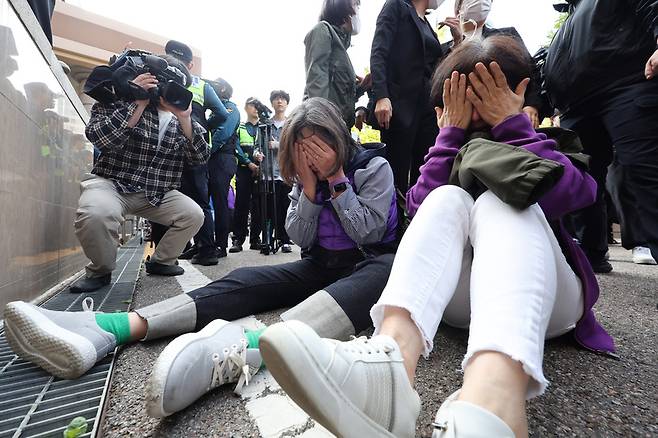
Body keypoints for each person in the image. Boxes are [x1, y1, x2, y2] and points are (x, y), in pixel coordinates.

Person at [258, 37, 616, 438]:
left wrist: (510, 125)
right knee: (446, 197)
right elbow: (419, 209)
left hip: (549, 304)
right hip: (465, 307)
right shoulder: (449, 146)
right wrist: (449, 138)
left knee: (504, 202)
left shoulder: (534, 137)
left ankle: (493, 403)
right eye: (465, 107)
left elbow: (577, 192)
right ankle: (390, 369)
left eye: (486, 101)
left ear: (517, 93)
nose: (476, 122)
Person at [3, 97, 398, 420]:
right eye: (302, 151)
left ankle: (249, 347)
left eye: (318, 147)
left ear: (337, 138)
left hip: (367, 266)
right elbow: (300, 237)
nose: (309, 159)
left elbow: (370, 233)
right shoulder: (302, 182)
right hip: (321, 266)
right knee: (245, 280)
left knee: (385, 271)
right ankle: (112, 326)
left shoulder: (373, 167)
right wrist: (311, 191)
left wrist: (336, 181)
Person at [68, 55, 208, 293]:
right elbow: (101, 138)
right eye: (163, 82)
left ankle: (162, 262)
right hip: (111, 184)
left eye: (176, 86)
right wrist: (138, 101)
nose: (167, 91)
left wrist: (184, 118)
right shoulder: (119, 99)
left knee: (193, 214)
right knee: (96, 214)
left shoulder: (182, 120)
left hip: (156, 193)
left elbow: (200, 158)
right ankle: (101, 270)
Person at [543, 1, 658, 272]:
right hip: (577, 103)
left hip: (628, 85)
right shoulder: (572, 17)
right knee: (582, 175)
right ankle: (591, 252)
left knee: (644, 174)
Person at [148, 40, 229, 266]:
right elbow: (221, 114)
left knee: (160, 195)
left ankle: (168, 253)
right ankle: (204, 249)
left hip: (171, 144)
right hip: (191, 144)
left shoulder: (158, 76)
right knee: (198, 198)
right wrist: (203, 124)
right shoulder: (202, 86)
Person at [370, 0, 447, 195]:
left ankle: (417, 218)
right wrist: (381, 95)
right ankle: (393, 222)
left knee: (425, 170)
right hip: (400, 106)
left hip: (428, 110)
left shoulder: (428, 26)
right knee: (395, 172)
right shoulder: (396, 6)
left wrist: (457, 38)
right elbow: (379, 51)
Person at [304, 0, 370, 128]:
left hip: (341, 129)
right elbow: (316, 85)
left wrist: (362, 87)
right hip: (327, 129)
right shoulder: (322, 30)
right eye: (356, 5)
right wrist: (321, 128)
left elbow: (340, 98)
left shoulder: (342, 48)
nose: (358, 11)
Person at [206, 78, 241, 258]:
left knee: (220, 202)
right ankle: (204, 244)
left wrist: (207, 151)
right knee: (204, 202)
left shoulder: (231, 108)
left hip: (222, 158)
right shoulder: (211, 112)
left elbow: (224, 133)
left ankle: (220, 245)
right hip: (210, 159)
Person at [258, 90, 294, 253]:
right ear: (272, 103)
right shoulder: (264, 124)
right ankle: (267, 239)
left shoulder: (291, 124)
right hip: (267, 172)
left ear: (287, 103)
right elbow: (256, 146)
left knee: (285, 207)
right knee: (268, 209)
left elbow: (295, 145)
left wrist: (278, 145)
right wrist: (256, 154)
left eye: (282, 99)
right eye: (276, 99)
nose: (279, 101)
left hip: (285, 172)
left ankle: (285, 240)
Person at [229, 98, 264, 253]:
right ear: (245, 107)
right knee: (241, 205)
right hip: (243, 170)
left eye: (258, 106)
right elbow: (235, 147)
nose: (256, 108)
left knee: (259, 205)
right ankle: (238, 239)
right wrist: (249, 163)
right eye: (252, 105)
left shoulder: (264, 128)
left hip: (261, 172)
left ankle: (256, 239)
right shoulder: (240, 126)